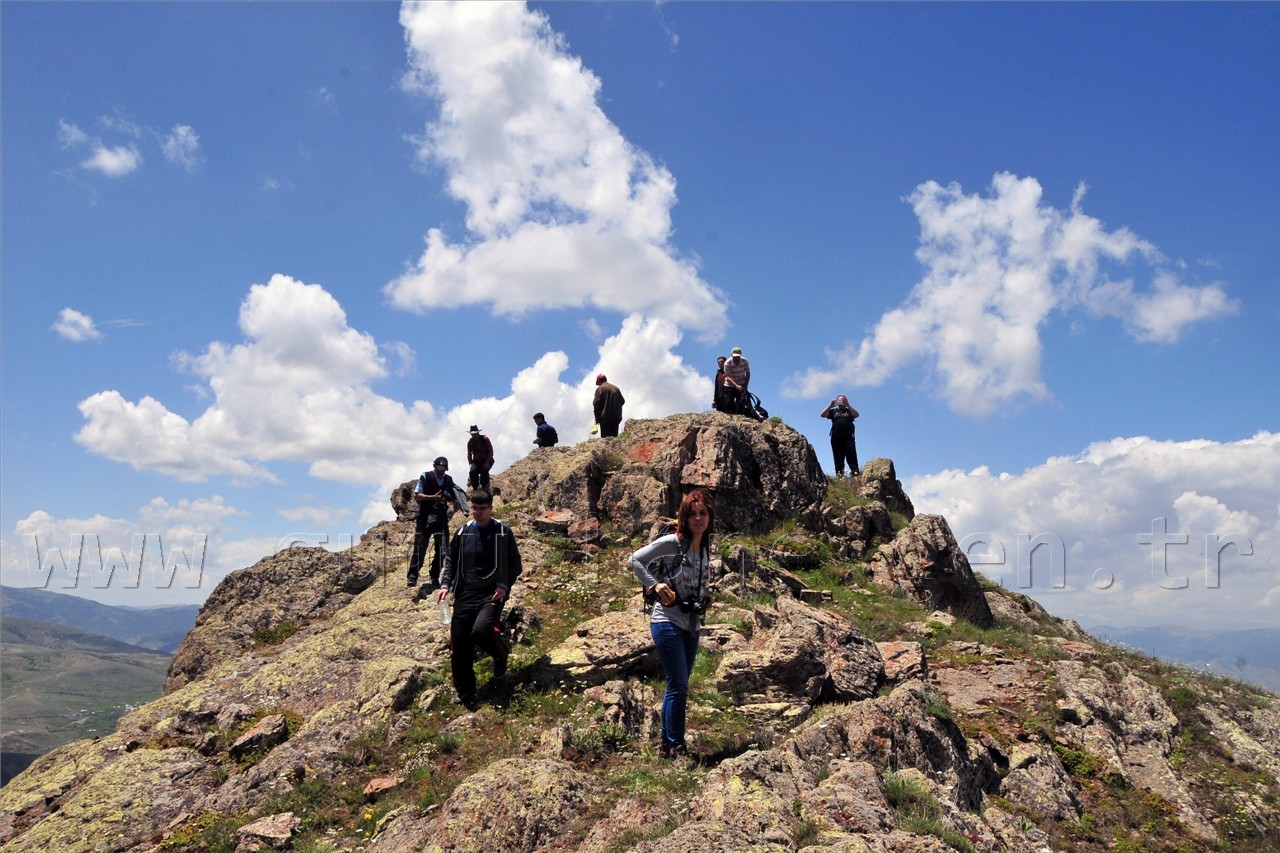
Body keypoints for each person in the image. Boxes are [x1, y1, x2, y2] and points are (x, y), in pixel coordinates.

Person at [628, 489, 714, 759]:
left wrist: (705, 598)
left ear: (709, 516)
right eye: (692, 514)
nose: (698, 518)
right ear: (684, 518)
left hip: (692, 624)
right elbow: (635, 560)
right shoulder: (673, 542)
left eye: (703, 513)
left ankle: (666, 744)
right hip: (666, 620)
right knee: (678, 685)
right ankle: (677, 746)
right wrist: (655, 585)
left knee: (677, 684)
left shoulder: (706, 548)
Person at [436, 490, 522, 711]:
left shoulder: (502, 531)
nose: (477, 512)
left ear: (491, 508)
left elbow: (515, 564)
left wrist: (503, 586)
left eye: (482, 509)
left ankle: (500, 655)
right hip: (465, 594)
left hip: (491, 593)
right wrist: (445, 585)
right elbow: (451, 561)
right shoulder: (462, 532)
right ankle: (467, 694)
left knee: (482, 630)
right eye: (474, 508)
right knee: (459, 646)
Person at [407, 456, 466, 589]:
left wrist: (451, 501)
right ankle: (412, 576)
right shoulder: (426, 476)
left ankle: (434, 576)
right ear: (434, 466)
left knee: (441, 549)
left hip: (440, 518)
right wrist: (433, 498)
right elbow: (417, 496)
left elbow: (454, 495)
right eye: (439, 469)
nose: (441, 471)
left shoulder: (448, 480)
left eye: (443, 469)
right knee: (420, 548)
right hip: (424, 518)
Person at [820, 395, 860, 477]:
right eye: (839, 401)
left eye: (843, 401)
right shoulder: (833, 411)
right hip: (836, 437)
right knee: (838, 458)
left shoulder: (849, 410)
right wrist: (830, 405)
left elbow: (856, 415)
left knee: (851, 456)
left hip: (848, 437)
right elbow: (822, 415)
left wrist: (848, 405)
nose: (841, 402)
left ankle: (855, 474)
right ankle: (839, 476)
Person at [722, 347, 758, 420]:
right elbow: (728, 377)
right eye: (735, 357)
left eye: (738, 356)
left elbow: (748, 373)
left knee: (741, 402)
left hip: (741, 383)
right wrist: (736, 386)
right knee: (729, 402)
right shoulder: (727, 363)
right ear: (731, 355)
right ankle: (729, 418)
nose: (736, 358)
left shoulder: (745, 361)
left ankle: (740, 417)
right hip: (730, 384)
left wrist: (746, 386)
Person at [592, 373, 625, 437]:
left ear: (598, 381)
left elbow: (596, 404)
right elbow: (622, 401)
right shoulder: (616, 388)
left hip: (605, 418)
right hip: (616, 417)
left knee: (606, 439)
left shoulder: (600, 389)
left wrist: (597, 418)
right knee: (614, 438)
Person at [466, 425, 494, 491]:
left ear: (478, 433)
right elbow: (469, 454)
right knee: (472, 471)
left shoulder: (485, 439)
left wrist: (487, 462)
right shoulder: (470, 442)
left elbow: (491, 451)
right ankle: (475, 488)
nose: (474, 435)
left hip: (487, 459)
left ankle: (484, 487)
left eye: (476, 433)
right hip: (476, 461)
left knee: (484, 470)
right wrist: (470, 464)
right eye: (473, 434)